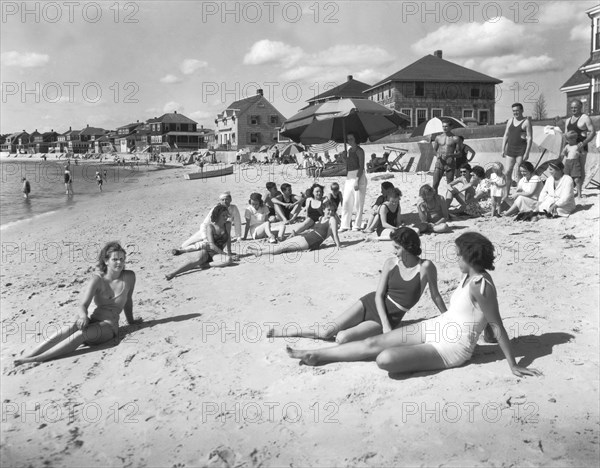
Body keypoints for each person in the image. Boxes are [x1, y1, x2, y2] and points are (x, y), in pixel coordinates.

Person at [285, 232, 542, 378]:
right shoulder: (468, 276)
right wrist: (484, 333)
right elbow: (479, 317)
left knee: (384, 360)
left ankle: (414, 351)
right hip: (437, 326)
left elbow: (497, 324)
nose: (455, 259)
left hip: (451, 347)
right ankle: (318, 355)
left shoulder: (481, 285)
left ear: (469, 257)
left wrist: (513, 364)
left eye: (457, 255)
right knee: (373, 343)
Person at [269, 227, 446, 341]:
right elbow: (378, 295)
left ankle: (356, 329)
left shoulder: (425, 267)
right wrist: (385, 325)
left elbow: (435, 295)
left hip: (393, 315)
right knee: (326, 332)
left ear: (408, 247)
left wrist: (449, 317)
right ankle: (290, 331)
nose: (395, 252)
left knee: (342, 338)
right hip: (370, 304)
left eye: (397, 248)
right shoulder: (390, 263)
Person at [15, 242, 140, 365]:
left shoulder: (129, 276)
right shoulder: (97, 279)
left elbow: (128, 301)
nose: (119, 262)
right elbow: (82, 305)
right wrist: (84, 316)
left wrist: (131, 321)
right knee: (72, 325)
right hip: (93, 320)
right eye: (115, 259)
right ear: (106, 261)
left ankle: (38, 359)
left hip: (109, 327)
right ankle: (31, 354)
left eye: (122, 259)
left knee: (82, 333)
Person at [167, 205, 235, 280]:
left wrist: (229, 252)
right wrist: (224, 254)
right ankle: (173, 273)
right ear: (218, 216)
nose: (226, 217)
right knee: (196, 260)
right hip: (208, 251)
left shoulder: (227, 225)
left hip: (217, 254)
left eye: (226, 215)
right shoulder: (210, 227)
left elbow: (228, 239)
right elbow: (211, 245)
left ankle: (205, 265)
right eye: (223, 215)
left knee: (229, 260)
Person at [250, 200, 341, 255]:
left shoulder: (332, 219)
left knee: (283, 247)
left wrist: (338, 246)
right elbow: (331, 232)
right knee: (283, 244)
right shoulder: (322, 218)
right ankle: (262, 250)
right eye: (329, 210)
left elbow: (335, 234)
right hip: (307, 236)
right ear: (324, 209)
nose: (331, 212)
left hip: (310, 241)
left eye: (333, 210)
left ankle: (260, 253)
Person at [501, 102, 532, 202]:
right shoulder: (510, 120)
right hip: (510, 149)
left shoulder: (526, 122)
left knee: (519, 172)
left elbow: (530, 138)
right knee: (507, 172)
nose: (515, 112)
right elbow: (506, 135)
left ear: (522, 110)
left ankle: (519, 194)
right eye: (514, 111)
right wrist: (502, 149)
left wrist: (527, 152)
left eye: (517, 110)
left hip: (520, 150)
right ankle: (506, 194)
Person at [565, 99, 596, 191]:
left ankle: (579, 191)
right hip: (570, 148)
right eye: (572, 108)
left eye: (575, 107)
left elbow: (592, 132)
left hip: (581, 148)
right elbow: (565, 135)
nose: (573, 109)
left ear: (580, 107)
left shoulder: (585, 118)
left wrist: (584, 143)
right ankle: (570, 188)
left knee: (580, 168)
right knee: (568, 168)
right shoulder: (568, 120)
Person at [340, 132, 367, 231]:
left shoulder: (360, 151)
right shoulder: (349, 150)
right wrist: (343, 158)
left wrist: (357, 180)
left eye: (351, 138)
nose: (349, 141)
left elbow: (361, 167)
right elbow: (347, 165)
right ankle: (345, 224)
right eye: (348, 139)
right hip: (349, 175)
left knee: (358, 202)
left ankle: (357, 224)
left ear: (356, 139)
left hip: (358, 175)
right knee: (346, 200)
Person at [432, 121, 461, 193]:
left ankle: (447, 203)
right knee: (435, 184)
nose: (444, 128)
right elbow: (433, 151)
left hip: (450, 163)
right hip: (440, 163)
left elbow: (460, 154)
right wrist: (438, 154)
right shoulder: (438, 137)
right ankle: (435, 201)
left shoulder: (456, 138)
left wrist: (450, 155)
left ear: (451, 127)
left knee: (449, 185)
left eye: (446, 126)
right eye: (443, 126)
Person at [561, 130, 584, 200]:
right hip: (568, 163)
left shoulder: (578, 146)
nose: (567, 141)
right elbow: (563, 153)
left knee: (576, 179)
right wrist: (564, 154)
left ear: (574, 139)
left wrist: (579, 154)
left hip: (575, 163)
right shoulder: (567, 146)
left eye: (568, 139)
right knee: (566, 179)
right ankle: (567, 193)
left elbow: (583, 153)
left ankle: (579, 194)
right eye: (567, 140)